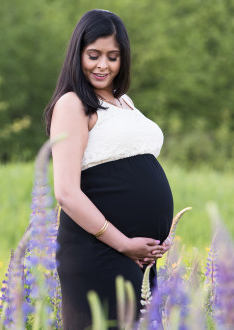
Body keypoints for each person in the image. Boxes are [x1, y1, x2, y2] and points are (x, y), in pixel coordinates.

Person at [44, 9, 174, 329]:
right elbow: (67, 193)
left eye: (113, 56)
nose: (103, 65)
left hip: (135, 254)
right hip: (99, 251)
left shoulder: (124, 101)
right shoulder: (73, 104)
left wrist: (158, 237)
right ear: (78, 54)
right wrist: (122, 243)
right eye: (94, 55)